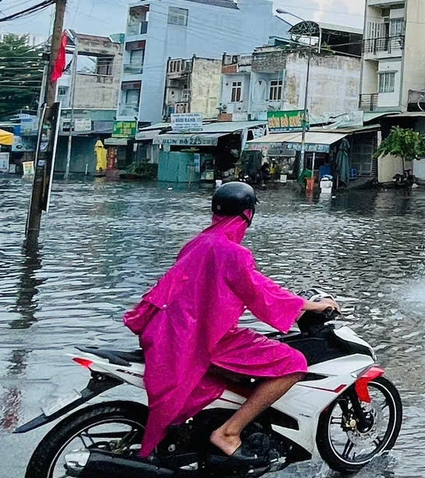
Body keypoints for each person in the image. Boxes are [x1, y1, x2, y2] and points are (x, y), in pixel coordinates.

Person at [123, 180, 337, 462]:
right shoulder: (234, 252)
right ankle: (229, 432)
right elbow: (259, 291)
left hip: (168, 332)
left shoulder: (197, 243)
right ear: (248, 214)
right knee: (293, 363)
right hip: (204, 337)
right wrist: (311, 305)